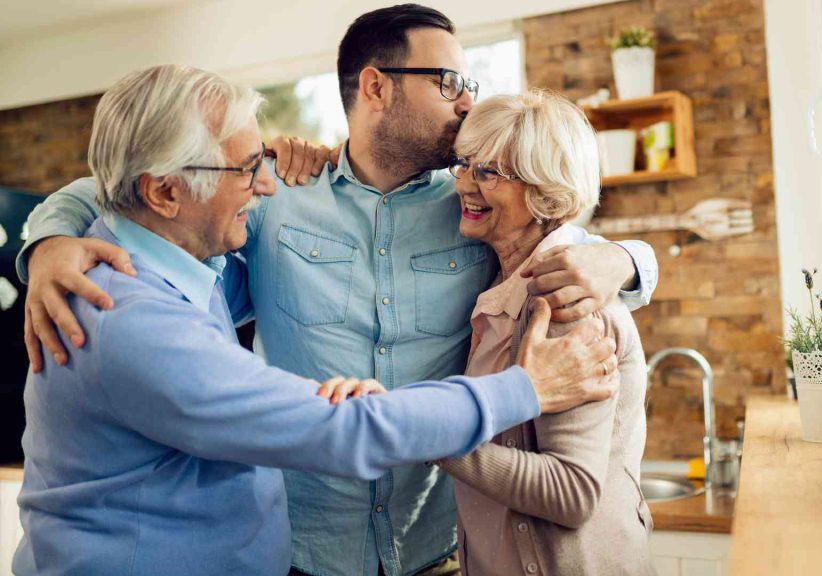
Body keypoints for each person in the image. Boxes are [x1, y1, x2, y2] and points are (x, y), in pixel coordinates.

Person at [16, 6, 660, 576]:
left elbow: (557, 232)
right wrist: (46, 243)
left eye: (470, 85)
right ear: (376, 86)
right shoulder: (273, 198)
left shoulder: (471, 206)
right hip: (306, 548)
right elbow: (119, 187)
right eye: (448, 83)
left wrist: (627, 260)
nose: (465, 102)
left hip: (431, 549)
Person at [436, 90, 656, 575]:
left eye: (488, 172)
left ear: (544, 192)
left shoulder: (565, 304)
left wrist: (429, 434)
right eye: (465, 165)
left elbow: (570, 492)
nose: (465, 185)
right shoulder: (502, 282)